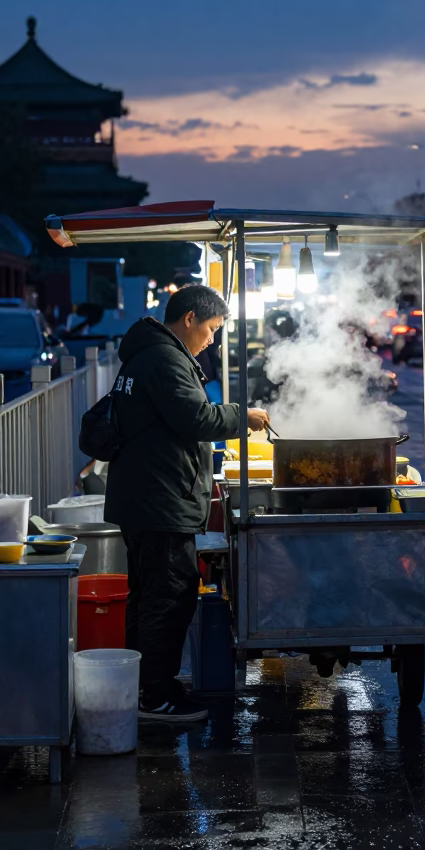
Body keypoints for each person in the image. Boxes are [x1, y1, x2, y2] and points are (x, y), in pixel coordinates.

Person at [104, 284, 269, 724]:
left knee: (150, 596)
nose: (213, 339)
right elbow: (194, 418)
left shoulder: (152, 355)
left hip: (147, 496)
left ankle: (146, 686)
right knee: (169, 596)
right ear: (190, 319)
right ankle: (154, 696)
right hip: (159, 499)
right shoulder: (165, 359)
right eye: (212, 329)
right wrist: (241, 415)